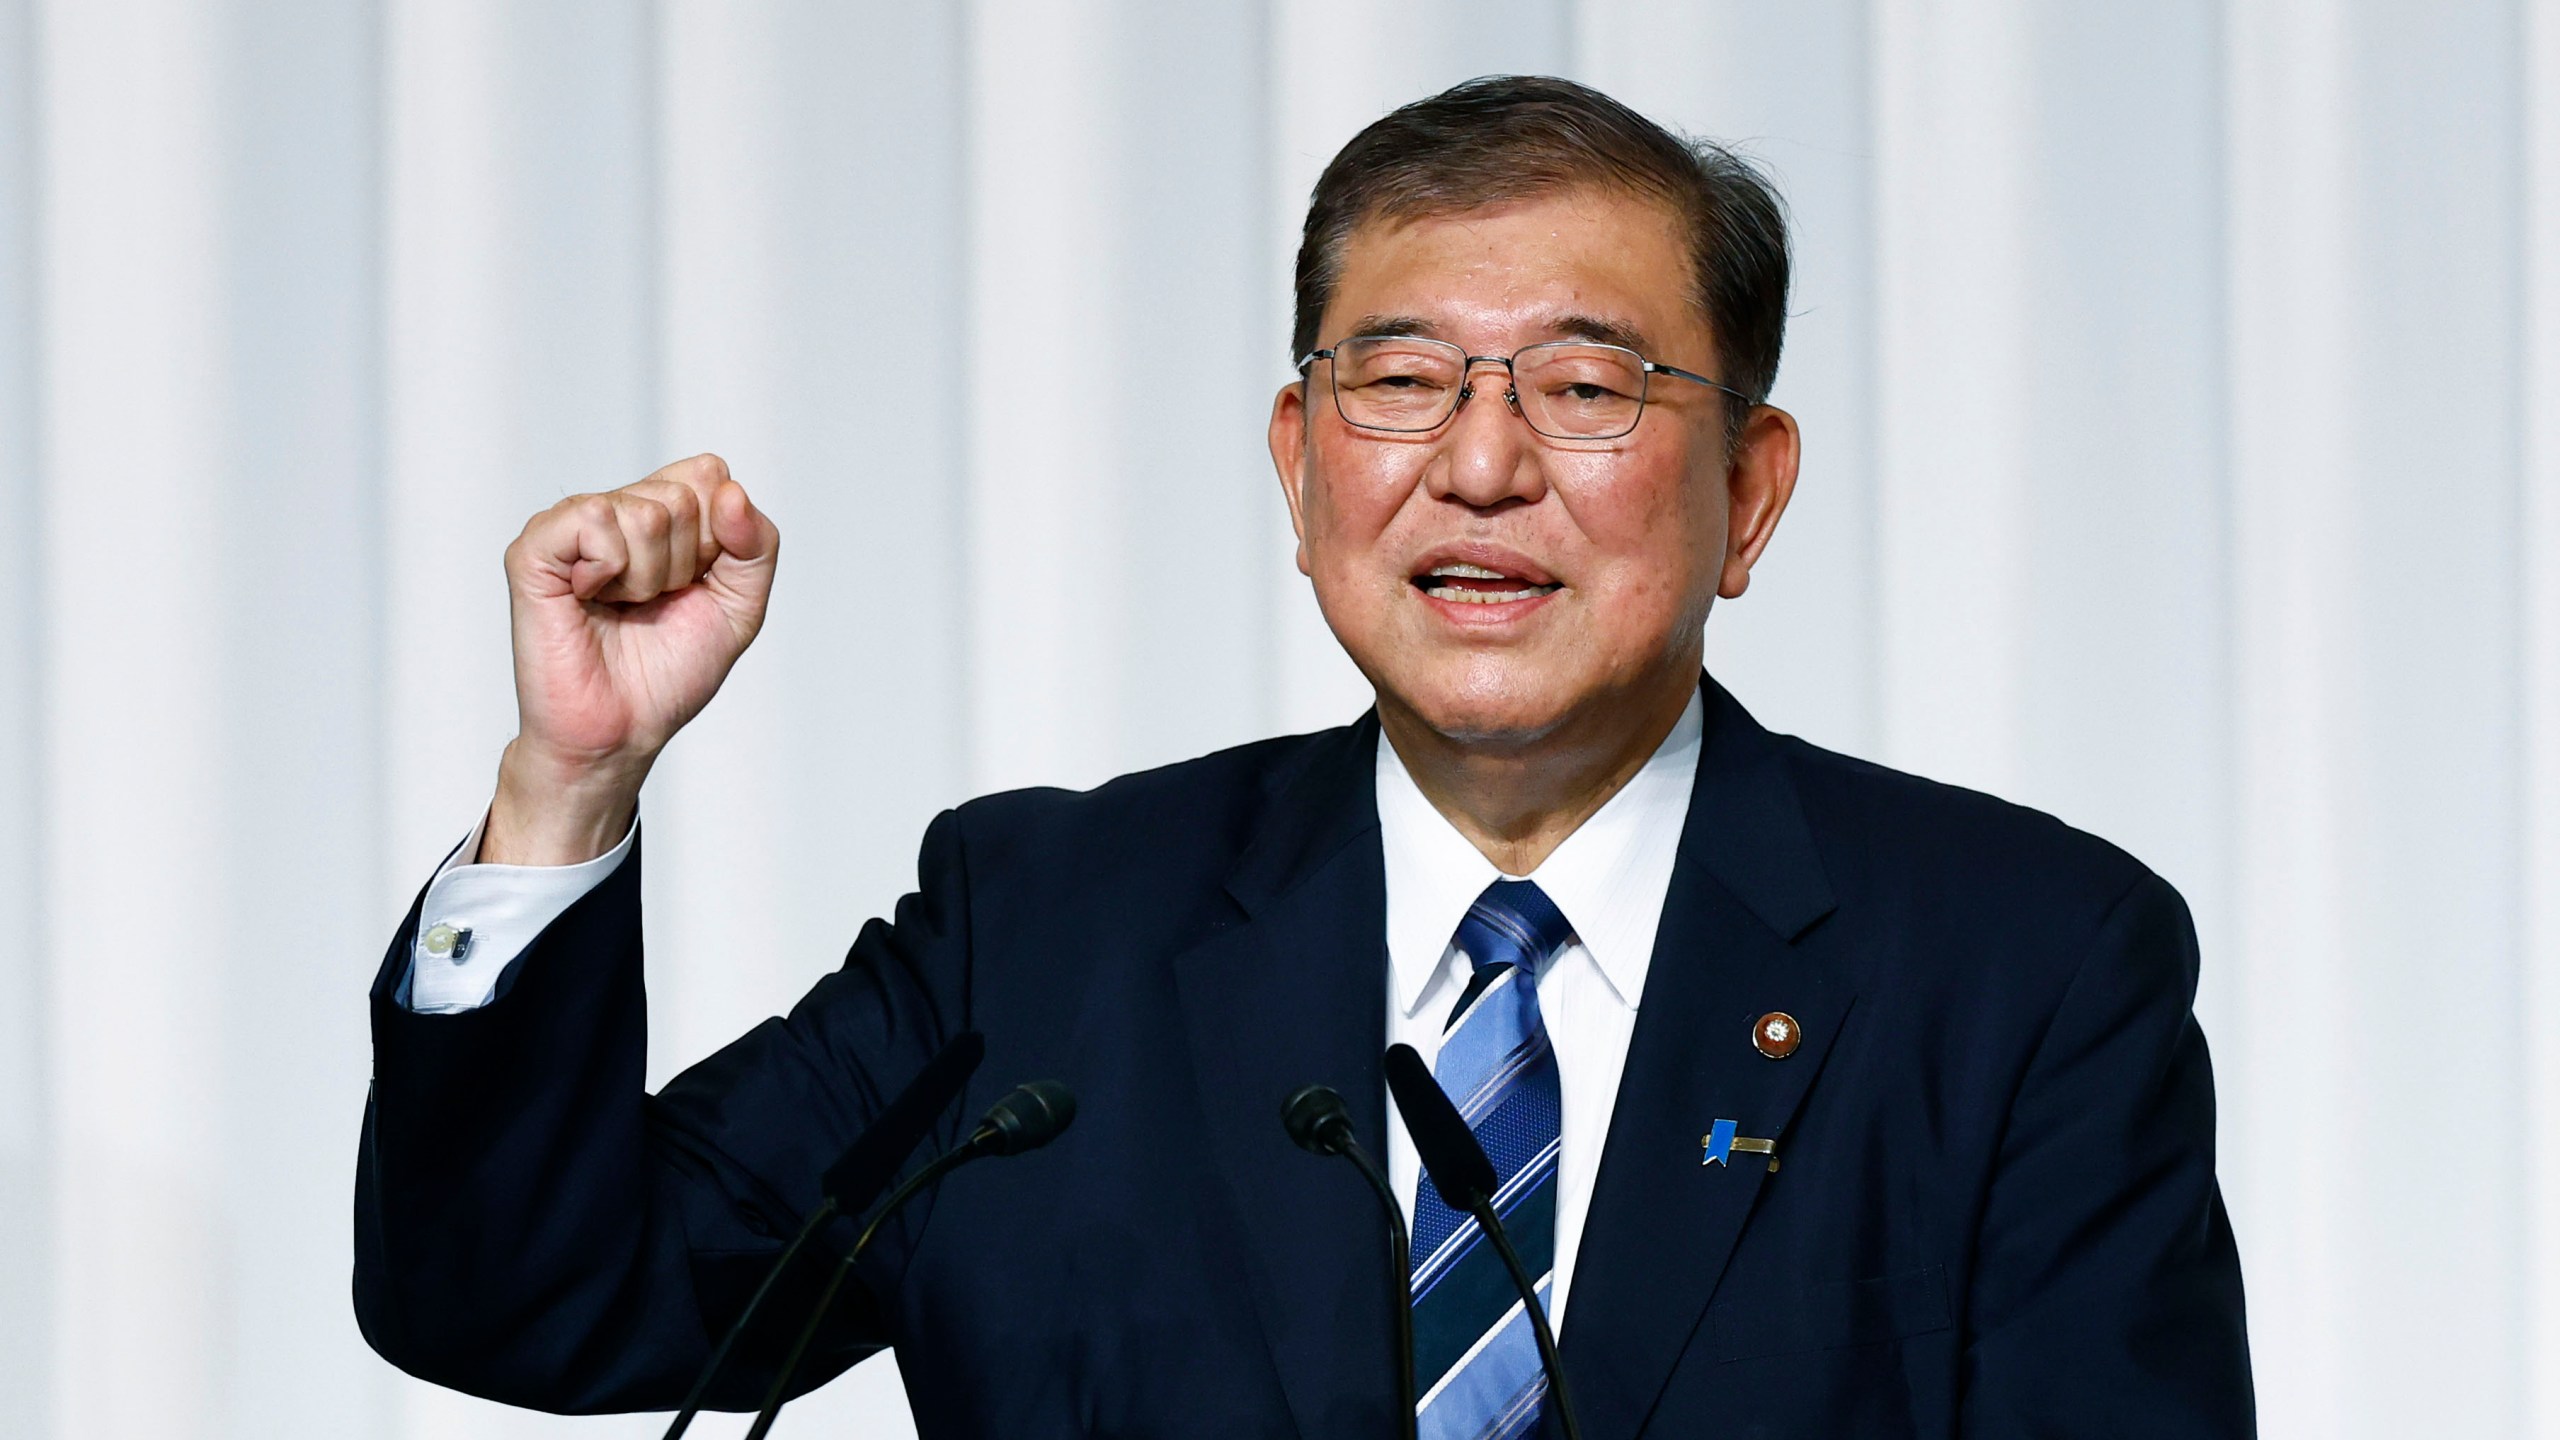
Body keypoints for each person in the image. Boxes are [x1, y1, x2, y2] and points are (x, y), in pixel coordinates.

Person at [354, 75, 2253, 1439]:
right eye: (1404, 380)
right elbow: (531, 1297)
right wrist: (571, 783)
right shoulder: (1043, 936)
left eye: (1589, 387)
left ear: (1748, 493)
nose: (1484, 463)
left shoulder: (2025, 968)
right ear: (1299, 466)